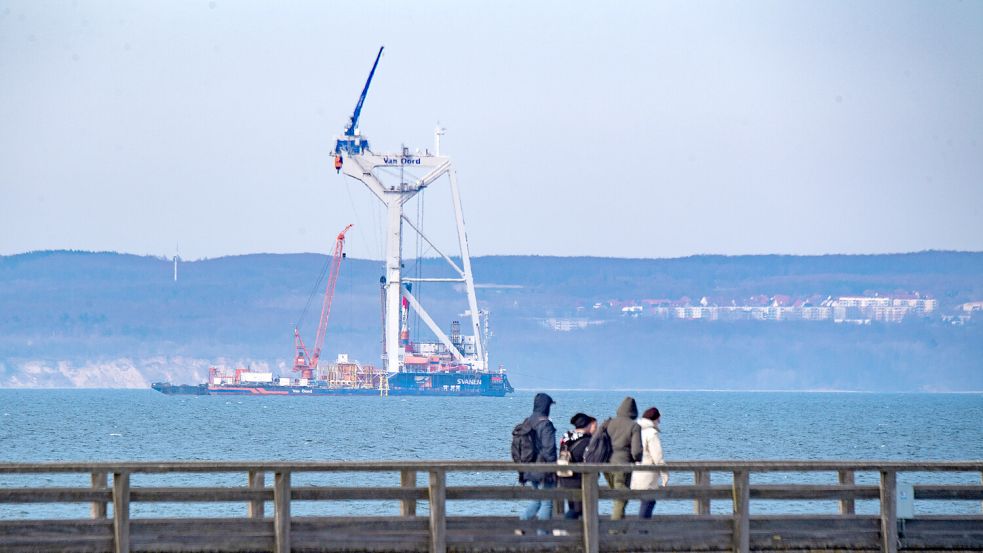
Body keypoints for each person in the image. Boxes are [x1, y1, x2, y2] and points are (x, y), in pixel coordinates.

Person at [518, 392, 557, 523]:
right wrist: (554, 468)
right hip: (544, 468)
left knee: (536, 500)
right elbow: (549, 449)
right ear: (546, 406)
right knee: (547, 502)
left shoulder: (527, 422)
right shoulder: (545, 424)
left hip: (529, 466)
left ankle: (521, 525)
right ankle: (544, 534)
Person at [604, 396, 642, 520]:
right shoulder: (634, 426)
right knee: (621, 498)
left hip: (606, 465)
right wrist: (638, 459)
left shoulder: (609, 423)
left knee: (617, 497)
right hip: (623, 465)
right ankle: (615, 529)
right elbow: (636, 451)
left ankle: (620, 527)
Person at [631, 407, 669, 518]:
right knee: (648, 501)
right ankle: (642, 530)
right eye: (659, 419)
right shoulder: (652, 433)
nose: (660, 422)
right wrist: (665, 474)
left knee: (645, 501)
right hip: (648, 474)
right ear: (655, 419)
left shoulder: (636, 431)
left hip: (636, 472)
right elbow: (658, 457)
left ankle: (641, 529)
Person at [557, 412, 596, 520]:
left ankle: (571, 532)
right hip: (578, 478)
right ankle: (563, 528)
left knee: (572, 506)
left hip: (564, 475)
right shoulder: (587, 441)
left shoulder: (566, 436)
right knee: (578, 509)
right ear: (587, 425)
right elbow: (587, 459)